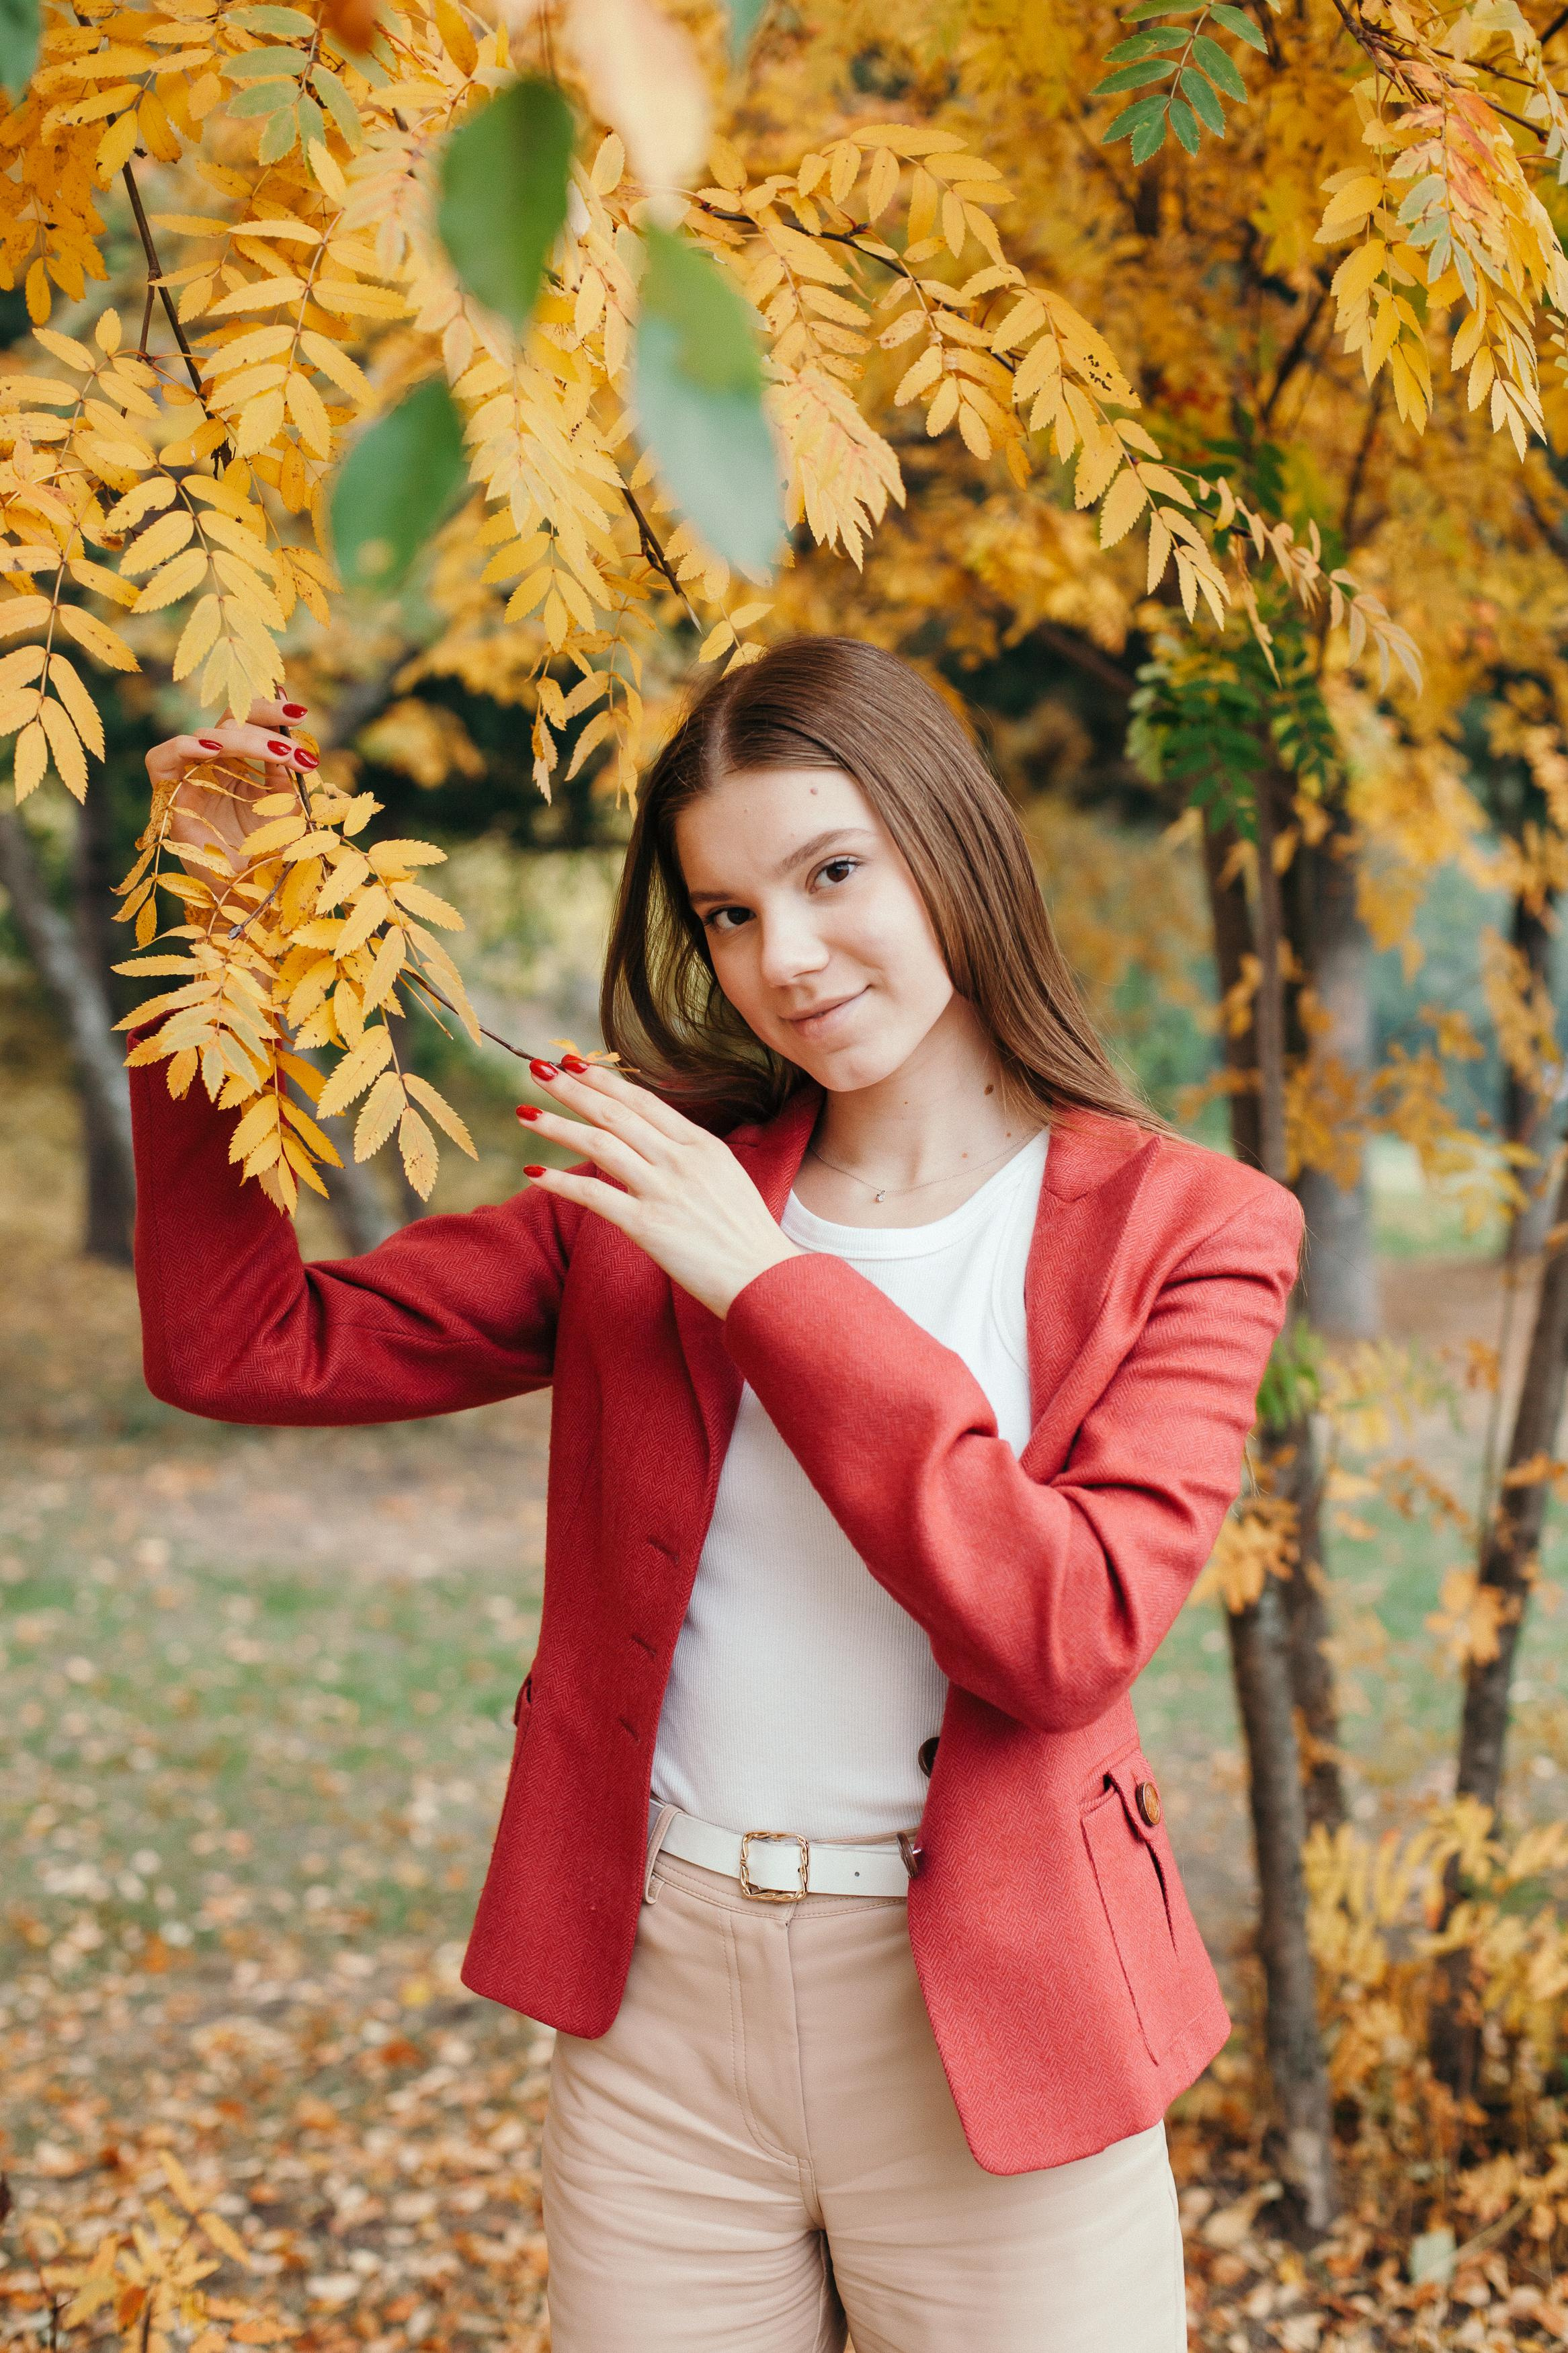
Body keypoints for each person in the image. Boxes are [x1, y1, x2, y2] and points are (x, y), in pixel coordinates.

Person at [131, 636, 1301, 2352]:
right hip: (665, 2032)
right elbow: (243, 1341)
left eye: (835, 874)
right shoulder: (657, 1186)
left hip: (1003, 2028)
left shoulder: (1192, 1226)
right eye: (731, 915)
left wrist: (771, 1288)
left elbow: (1067, 1629)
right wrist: (218, 954)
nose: (790, 959)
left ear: (950, 843)